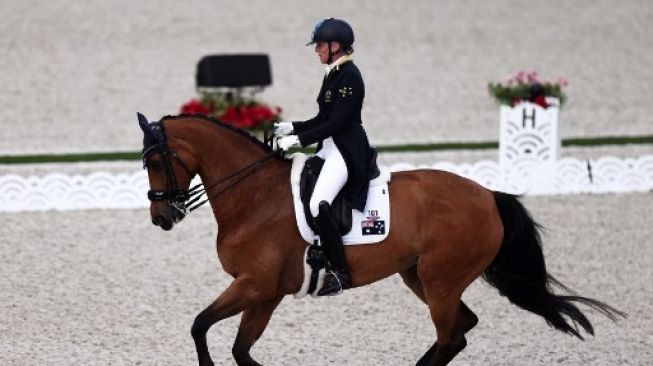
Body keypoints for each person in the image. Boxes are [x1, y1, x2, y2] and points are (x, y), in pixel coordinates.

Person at [275, 18, 378, 296]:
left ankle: (340, 271)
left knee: (321, 202)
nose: (316, 50)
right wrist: (294, 127)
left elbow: (337, 123)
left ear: (335, 46)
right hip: (328, 146)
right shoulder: (332, 73)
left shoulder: (350, 76)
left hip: (346, 148)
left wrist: (299, 140)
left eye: (320, 45)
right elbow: (323, 117)